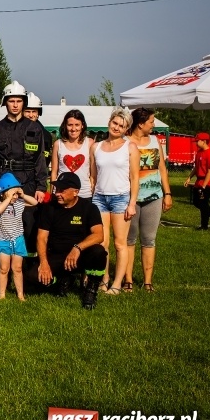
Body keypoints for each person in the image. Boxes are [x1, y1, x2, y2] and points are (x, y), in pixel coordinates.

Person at [0, 81, 47, 255]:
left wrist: (41, 187)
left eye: (19, 101)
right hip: (3, 181)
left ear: (24, 102)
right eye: (11, 101)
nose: (15, 105)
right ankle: (3, 264)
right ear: (5, 103)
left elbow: (40, 158)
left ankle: (26, 265)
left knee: (29, 224)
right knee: (3, 223)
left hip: (28, 182)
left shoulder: (35, 129)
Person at [37, 172, 107, 309]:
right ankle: (62, 278)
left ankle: (91, 290)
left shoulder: (89, 208)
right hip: (56, 255)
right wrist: (44, 263)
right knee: (32, 277)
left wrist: (77, 248)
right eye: (57, 189)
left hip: (79, 257)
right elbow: (41, 237)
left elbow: (99, 235)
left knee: (99, 252)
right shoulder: (49, 208)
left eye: (62, 190)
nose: (57, 193)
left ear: (76, 192)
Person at [90, 107, 139, 294]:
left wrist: (132, 203)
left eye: (122, 126)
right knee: (102, 243)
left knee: (120, 243)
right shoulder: (96, 147)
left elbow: (135, 178)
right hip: (99, 198)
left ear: (126, 129)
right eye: (115, 123)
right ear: (109, 122)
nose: (117, 127)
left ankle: (117, 284)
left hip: (121, 198)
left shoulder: (130, 147)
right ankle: (104, 279)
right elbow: (93, 176)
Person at [125, 108, 172, 293]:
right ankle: (128, 280)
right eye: (151, 121)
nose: (153, 125)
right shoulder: (125, 142)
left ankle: (147, 282)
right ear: (140, 124)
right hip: (131, 199)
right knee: (129, 240)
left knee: (149, 240)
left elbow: (162, 169)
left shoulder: (155, 141)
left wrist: (167, 193)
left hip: (153, 197)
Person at [0, 172, 38, 301]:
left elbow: (34, 202)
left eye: (16, 194)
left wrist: (22, 195)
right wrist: (7, 199)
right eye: (13, 194)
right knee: (3, 268)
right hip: (3, 241)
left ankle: (20, 295)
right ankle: (2, 294)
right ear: (2, 193)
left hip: (18, 240)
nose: (15, 196)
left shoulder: (19, 202)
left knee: (17, 268)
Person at [51, 109, 94, 199]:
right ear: (65, 126)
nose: (73, 129)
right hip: (62, 194)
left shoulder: (90, 143)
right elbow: (54, 172)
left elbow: (93, 173)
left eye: (77, 125)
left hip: (84, 194)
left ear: (82, 125)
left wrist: (93, 191)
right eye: (70, 125)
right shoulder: (58, 144)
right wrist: (52, 193)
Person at [184, 132, 210, 230]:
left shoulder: (209, 153)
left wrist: (204, 186)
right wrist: (189, 178)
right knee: (196, 202)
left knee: (203, 203)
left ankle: (204, 226)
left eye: (197, 141)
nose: (196, 143)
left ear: (204, 141)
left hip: (207, 182)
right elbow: (196, 167)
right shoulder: (199, 152)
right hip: (198, 181)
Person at [23, 91, 53, 173]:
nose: (31, 115)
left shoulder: (45, 135)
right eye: (28, 111)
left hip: (35, 175)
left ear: (38, 113)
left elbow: (45, 160)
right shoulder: (12, 130)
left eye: (34, 111)